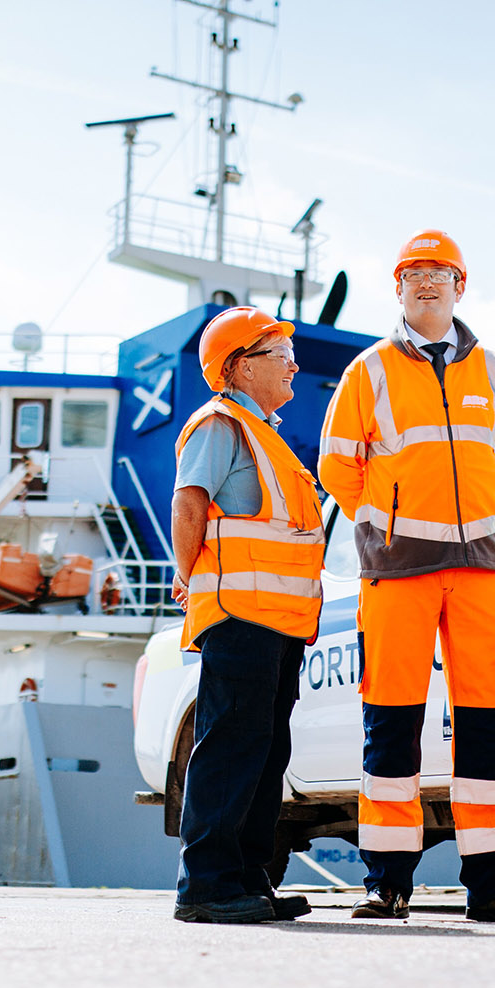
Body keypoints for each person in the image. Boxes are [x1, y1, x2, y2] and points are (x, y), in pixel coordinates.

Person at [318, 230, 495, 924]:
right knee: (391, 725)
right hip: (397, 571)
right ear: (398, 288)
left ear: (461, 286)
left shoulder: (494, 370)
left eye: (440, 272)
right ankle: (387, 884)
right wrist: (391, 518)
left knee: (488, 727)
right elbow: (337, 466)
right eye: (413, 273)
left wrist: (479, 515)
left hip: (483, 568)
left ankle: (494, 888)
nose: (426, 282)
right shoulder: (368, 371)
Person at [169, 306, 326, 924]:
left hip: (278, 621)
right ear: (239, 367)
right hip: (240, 615)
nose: (293, 364)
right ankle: (205, 887)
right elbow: (189, 504)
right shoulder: (220, 424)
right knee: (231, 749)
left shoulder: (265, 434)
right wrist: (187, 575)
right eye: (279, 354)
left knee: (263, 752)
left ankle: (248, 880)